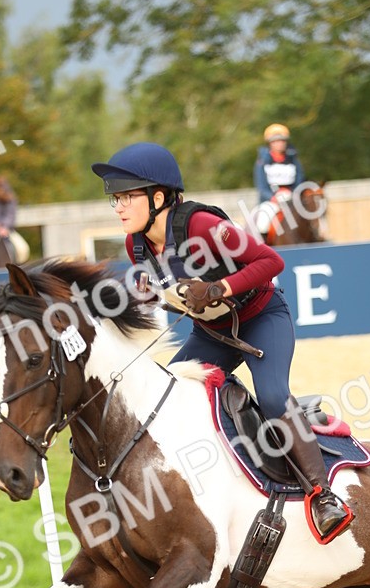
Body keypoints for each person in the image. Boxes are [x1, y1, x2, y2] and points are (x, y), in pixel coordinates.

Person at [91, 141, 353, 543]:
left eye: (127, 196)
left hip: (261, 319)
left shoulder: (201, 226)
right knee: (164, 398)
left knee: (272, 397)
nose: (119, 207)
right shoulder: (136, 244)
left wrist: (218, 288)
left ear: (158, 198)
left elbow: (271, 261)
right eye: (116, 199)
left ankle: (323, 496)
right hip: (212, 335)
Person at [254, 123, 306, 204]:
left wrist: (293, 193)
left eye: (282, 141)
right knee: (264, 212)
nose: (280, 144)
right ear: (269, 143)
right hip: (270, 200)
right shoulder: (262, 162)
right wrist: (272, 197)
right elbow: (261, 186)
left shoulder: (293, 160)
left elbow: (299, 180)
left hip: (291, 198)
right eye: (275, 141)